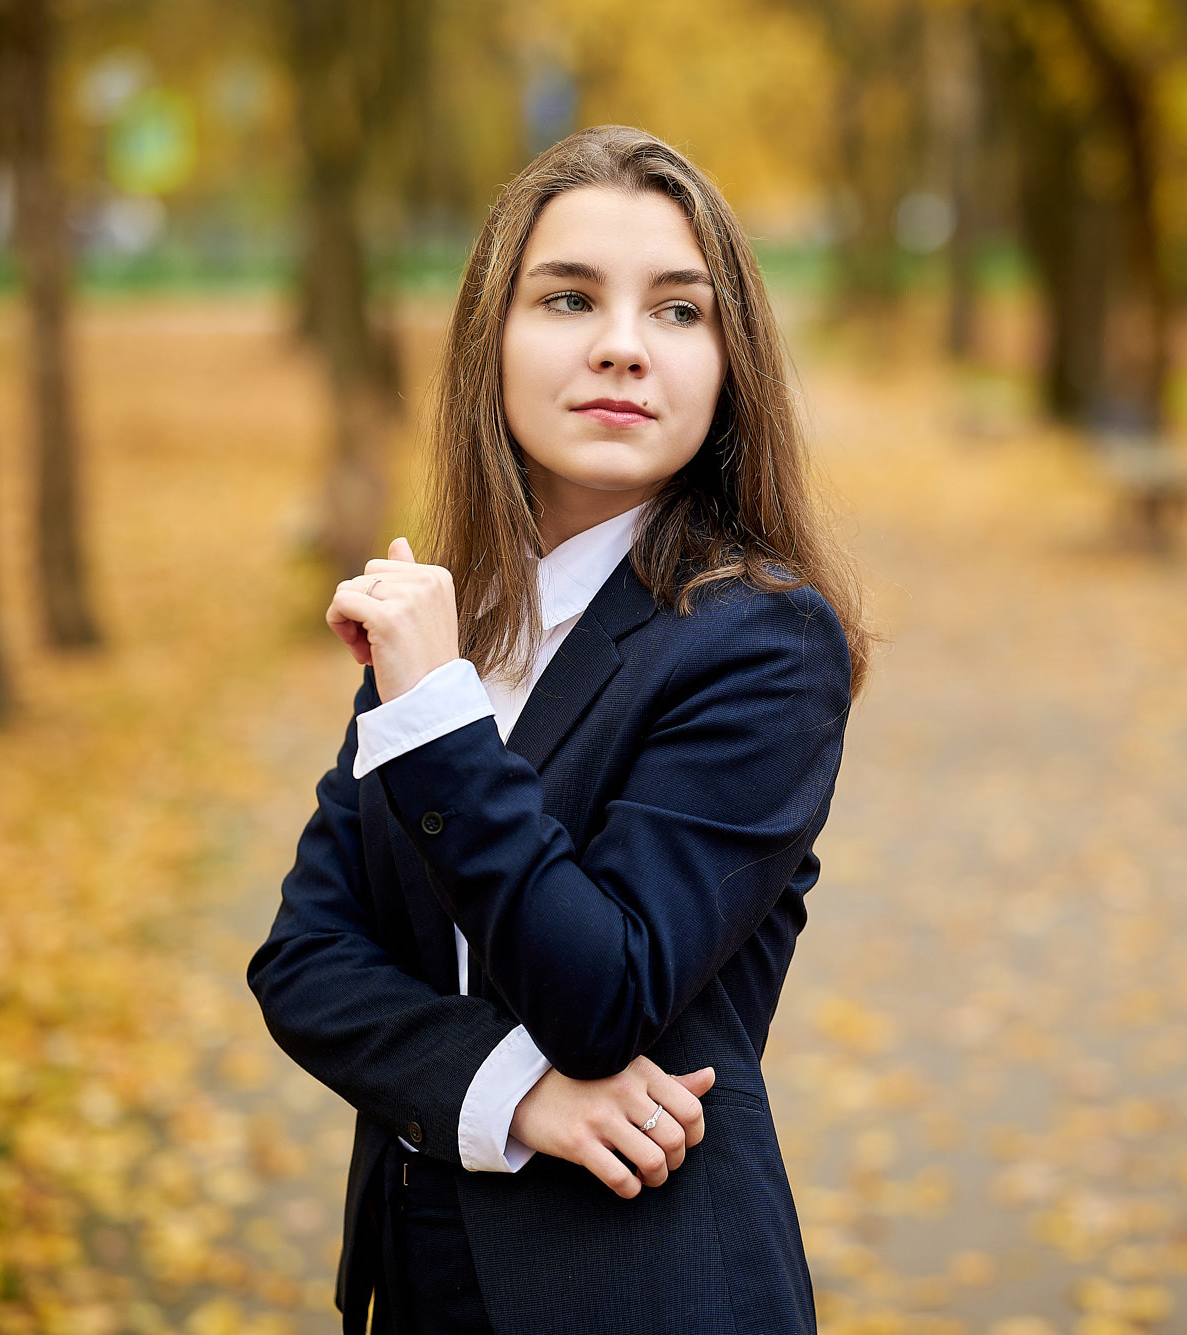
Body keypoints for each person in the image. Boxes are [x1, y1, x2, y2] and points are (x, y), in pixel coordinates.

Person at [247, 124, 872, 1335]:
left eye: (679, 312)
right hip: (417, 1282)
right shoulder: (455, 617)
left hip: (640, 1290)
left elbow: (607, 990)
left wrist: (431, 716)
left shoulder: (759, 644)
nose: (623, 348)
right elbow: (305, 963)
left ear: (730, 362)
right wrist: (511, 1090)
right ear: (492, 340)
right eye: (568, 297)